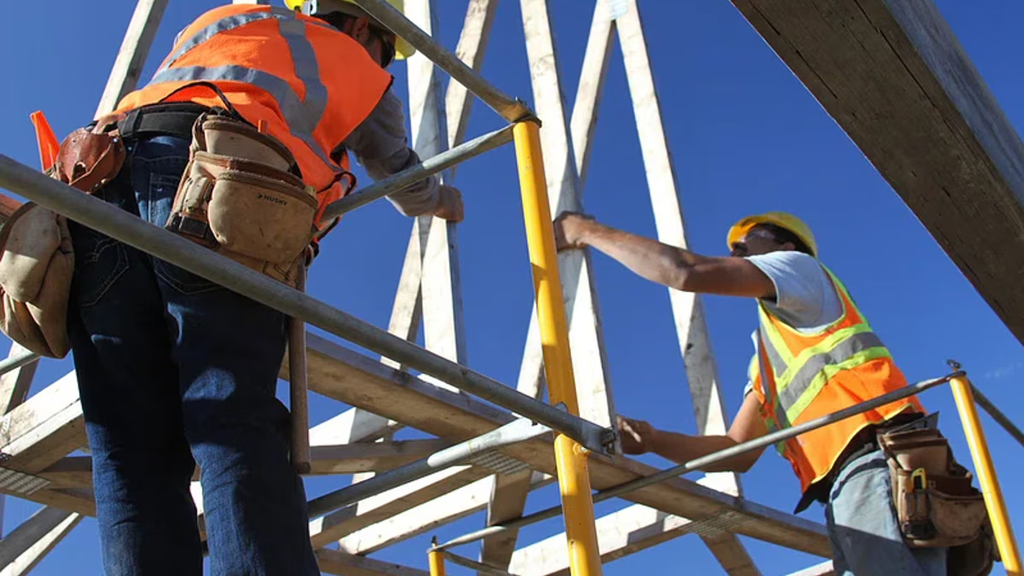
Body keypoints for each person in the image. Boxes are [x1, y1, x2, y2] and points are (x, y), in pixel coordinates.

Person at [66, 1, 460, 575]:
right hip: (213, 186)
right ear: (359, 23)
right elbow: (398, 170)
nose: (383, 61)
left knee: (128, 450)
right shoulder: (349, 57)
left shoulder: (226, 19)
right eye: (386, 46)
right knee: (232, 418)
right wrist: (447, 201)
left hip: (98, 182)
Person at [553, 210, 947, 576]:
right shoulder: (770, 357)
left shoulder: (801, 269)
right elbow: (737, 451)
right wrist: (654, 440)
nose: (736, 248)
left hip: (879, 460)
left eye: (750, 237)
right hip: (851, 482)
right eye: (732, 246)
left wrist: (586, 231)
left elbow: (684, 272)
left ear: (787, 247)